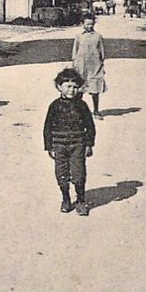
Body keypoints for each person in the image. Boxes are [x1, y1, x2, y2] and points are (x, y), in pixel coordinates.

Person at [43, 67, 96, 216]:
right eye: (68, 86)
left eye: (75, 87)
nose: (72, 90)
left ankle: (80, 200)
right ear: (59, 87)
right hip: (59, 145)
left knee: (78, 174)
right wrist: (49, 147)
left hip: (77, 145)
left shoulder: (82, 106)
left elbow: (90, 126)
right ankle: (65, 199)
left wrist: (89, 144)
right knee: (61, 174)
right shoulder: (54, 106)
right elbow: (47, 127)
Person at [71, 13, 106, 119]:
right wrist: (75, 65)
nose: (89, 27)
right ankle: (79, 112)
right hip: (81, 66)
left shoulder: (98, 36)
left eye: (91, 24)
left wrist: (101, 65)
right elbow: (74, 52)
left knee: (95, 89)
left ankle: (96, 111)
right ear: (82, 24)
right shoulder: (79, 36)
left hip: (94, 67)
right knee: (80, 89)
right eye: (87, 24)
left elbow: (102, 52)